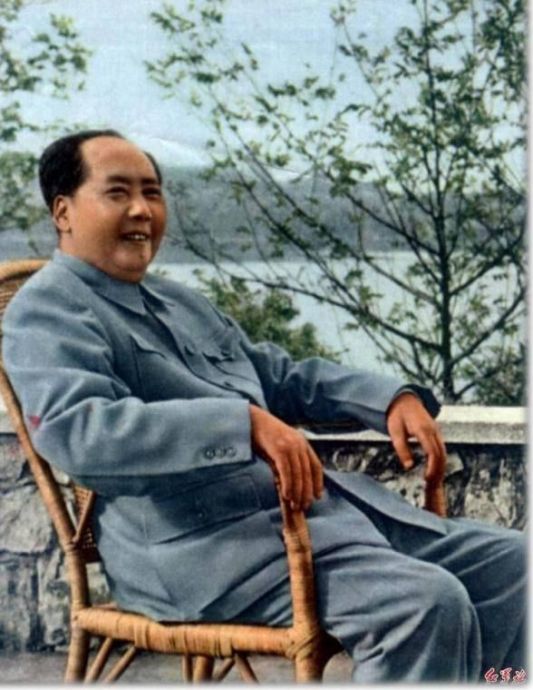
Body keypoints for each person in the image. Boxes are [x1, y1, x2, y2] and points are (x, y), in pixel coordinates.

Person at [2, 130, 525, 683]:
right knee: (422, 605)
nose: (141, 210)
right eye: (118, 192)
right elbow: (81, 434)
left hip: (309, 523)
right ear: (63, 212)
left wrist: (389, 399)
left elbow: (278, 376)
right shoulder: (47, 309)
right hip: (198, 552)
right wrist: (240, 424)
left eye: (152, 192)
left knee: (515, 565)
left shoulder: (179, 301)